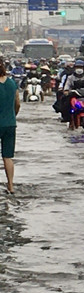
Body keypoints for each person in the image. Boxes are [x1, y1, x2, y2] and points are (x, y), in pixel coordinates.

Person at [0, 59, 21, 194]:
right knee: (7, 157)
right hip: (10, 124)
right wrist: (13, 115)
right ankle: (11, 186)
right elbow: (17, 103)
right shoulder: (12, 83)